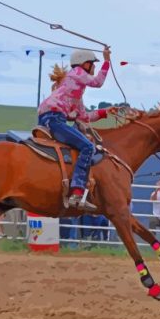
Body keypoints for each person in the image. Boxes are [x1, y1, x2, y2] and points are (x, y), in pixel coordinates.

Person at [37, 46, 117, 212]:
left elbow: (84, 118)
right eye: (92, 64)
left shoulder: (75, 95)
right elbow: (98, 82)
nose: (94, 67)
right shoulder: (76, 73)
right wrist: (107, 61)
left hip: (49, 118)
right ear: (84, 64)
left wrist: (104, 112)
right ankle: (77, 192)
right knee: (88, 147)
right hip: (54, 118)